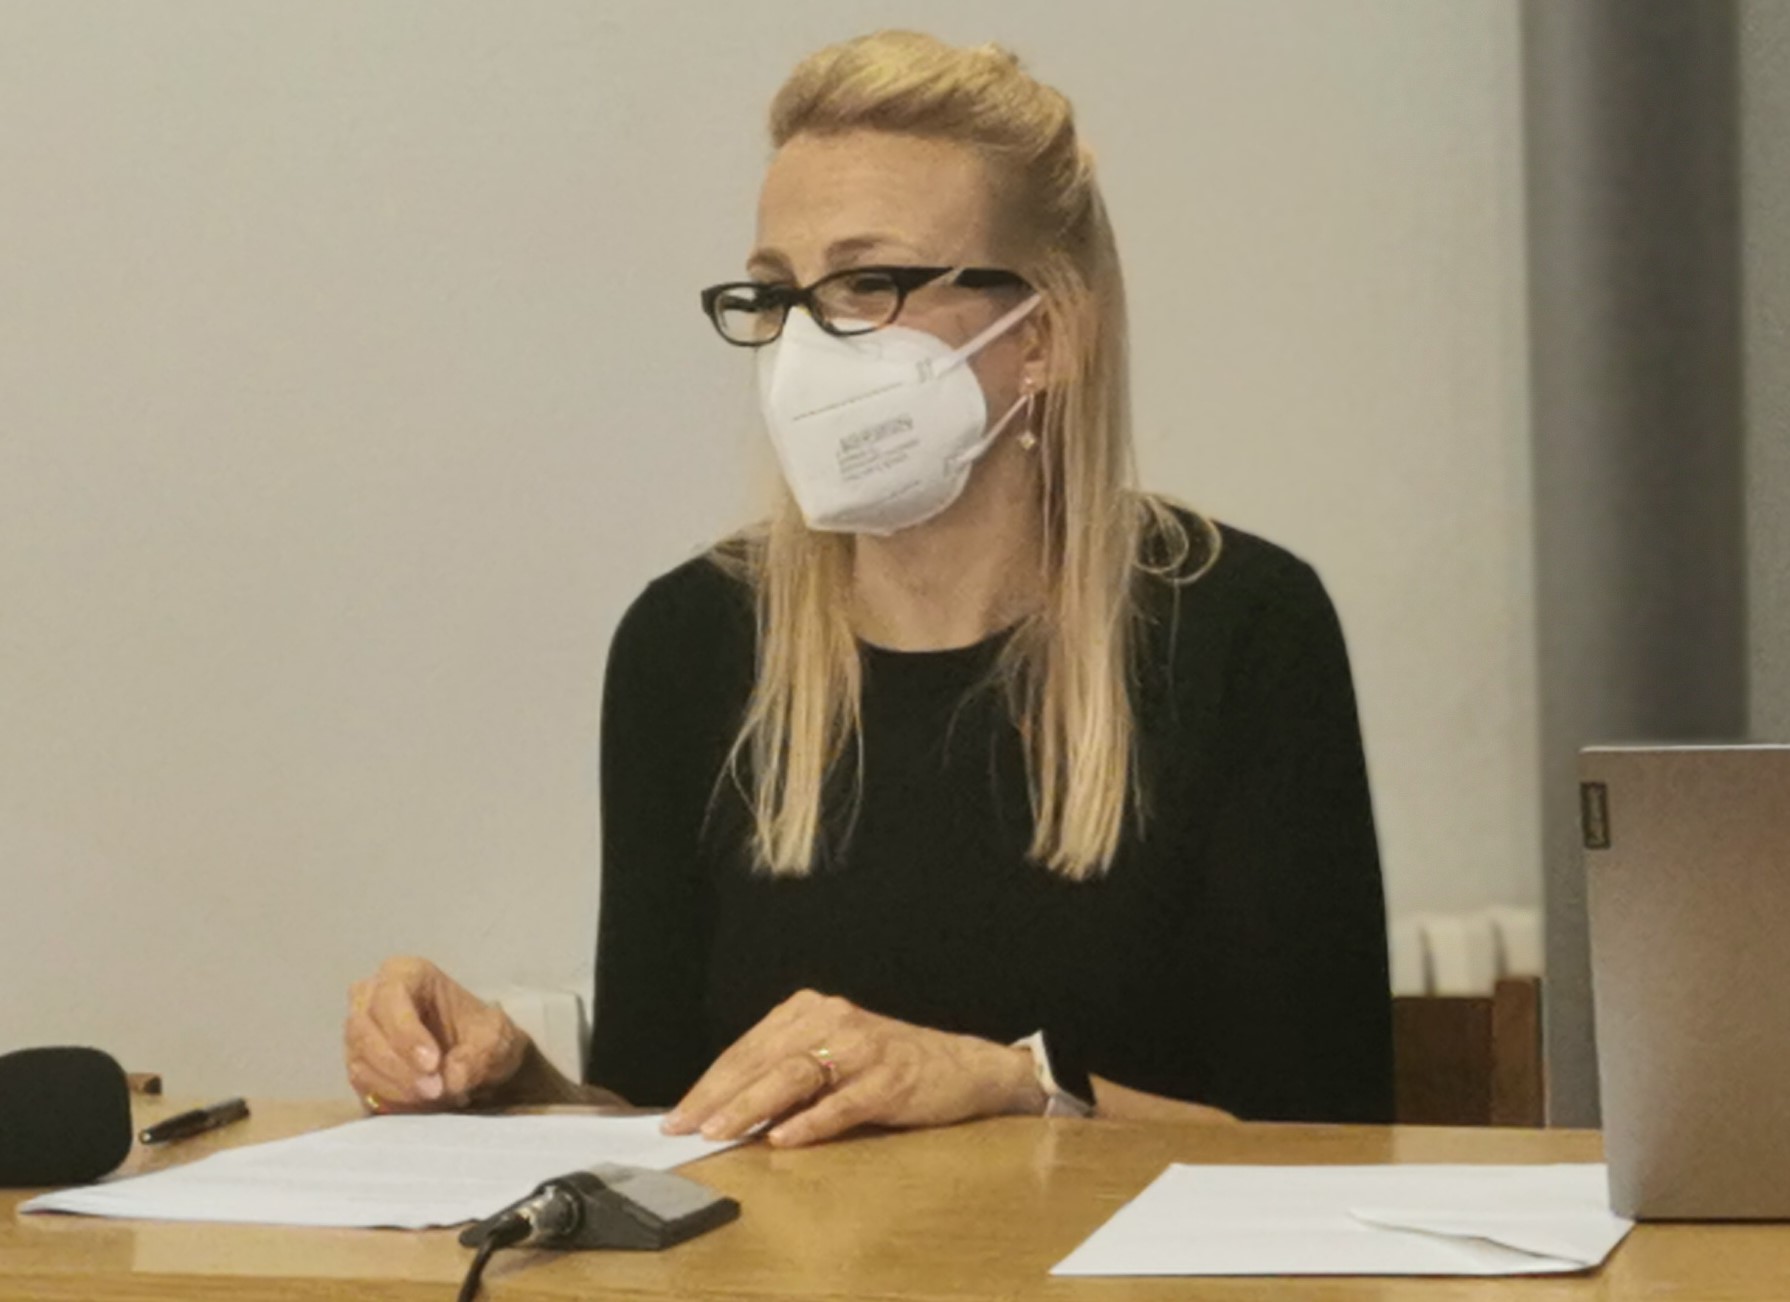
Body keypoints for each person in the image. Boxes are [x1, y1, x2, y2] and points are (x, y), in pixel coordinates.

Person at [343, 30, 1393, 1147]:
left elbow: (1326, 1140)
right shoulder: (689, 641)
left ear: (1042, 335)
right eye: (776, 293)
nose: (805, 346)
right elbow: (663, 1119)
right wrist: (506, 1087)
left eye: (867, 284)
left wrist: (1013, 1085)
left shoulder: (1240, 628)